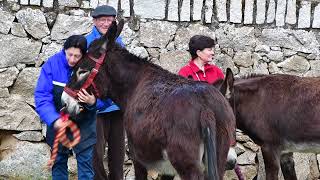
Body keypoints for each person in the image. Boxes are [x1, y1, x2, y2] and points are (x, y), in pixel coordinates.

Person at [35, 35, 97, 180]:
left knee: (86, 166)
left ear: (83, 55)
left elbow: (105, 98)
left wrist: (93, 101)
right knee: (58, 163)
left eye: (77, 56)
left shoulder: (91, 68)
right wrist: (54, 120)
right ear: (64, 51)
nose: (72, 59)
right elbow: (42, 97)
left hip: (84, 125)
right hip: (58, 123)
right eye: (69, 54)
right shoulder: (52, 64)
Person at [86, 5, 125, 180]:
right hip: (96, 107)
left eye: (109, 21)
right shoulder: (87, 43)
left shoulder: (119, 42)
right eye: (102, 20)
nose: (106, 24)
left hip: (116, 106)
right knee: (96, 153)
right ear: (94, 21)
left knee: (118, 153)